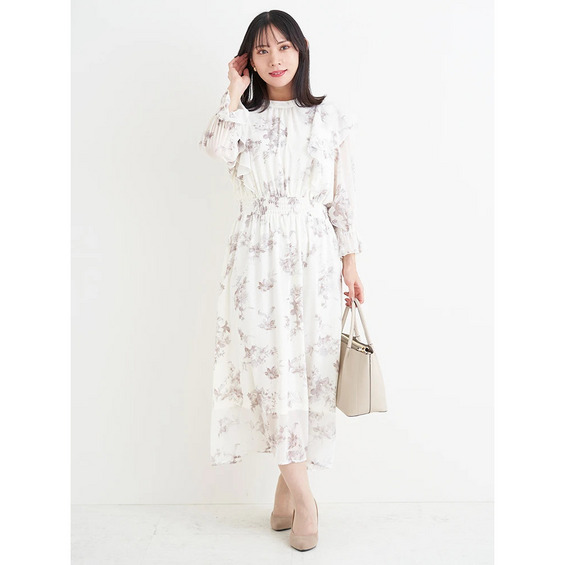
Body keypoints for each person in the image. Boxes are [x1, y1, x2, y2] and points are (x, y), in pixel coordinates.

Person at [197, 10, 365, 551]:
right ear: (248, 58)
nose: (274, 60)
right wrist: (233, 91)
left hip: (315, 258)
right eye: (262, 50)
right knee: (270, 374)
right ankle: (306, 501)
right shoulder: (240, 118)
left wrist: (351, 263)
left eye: (284, 47)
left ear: (302, 48)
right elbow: (216, 149)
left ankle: (285, 492)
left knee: (309, 372)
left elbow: (343, 198)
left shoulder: (329, 117)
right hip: (256, 257)